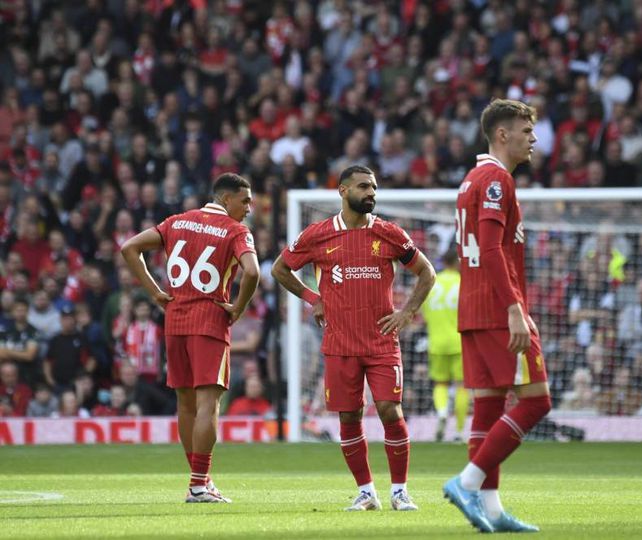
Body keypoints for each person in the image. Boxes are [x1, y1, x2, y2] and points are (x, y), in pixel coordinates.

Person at [272, 165, 436, 512]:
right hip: (340, 344)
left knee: (390, 410)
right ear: (343, 191)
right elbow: (280, 269)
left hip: (381, 342)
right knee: (349, 417)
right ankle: (366, 492)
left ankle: (400, 491)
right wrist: (314, 298)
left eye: (374, 187)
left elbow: (427, 272)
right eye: (364, 187)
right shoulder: (318, 235)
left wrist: (407, 312)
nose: (371, 193)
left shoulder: (390, 233)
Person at [443, 99, 550, 533]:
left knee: (487, 409)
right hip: (495, 308)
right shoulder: (495, 180)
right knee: (536, 400)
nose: (534, 139)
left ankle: (490, 511)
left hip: (473, 308)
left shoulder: (471, 179)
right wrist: (514, 310)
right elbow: (489, 249)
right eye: (526, 131)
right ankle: (467, 482)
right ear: (502, 134)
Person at [121, 173, 260, 504]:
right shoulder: (235, 230)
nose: (250, 209)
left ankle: (200, 481)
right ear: (226, 199)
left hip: (175, 320)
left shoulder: (177, 221)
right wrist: (238, 308)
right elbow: (253, 272)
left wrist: (155, 292)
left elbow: (129, 248)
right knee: (208, 404)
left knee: (185, 403)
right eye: (246, 201)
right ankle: (199, 484)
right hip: (210, 321)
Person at [422, 248, 468, 442]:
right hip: (460, 341)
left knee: (440, 384)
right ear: (457, 263)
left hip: (436, 342)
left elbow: (423, 314)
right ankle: (458, 432)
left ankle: (441, 412)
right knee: (462, 386)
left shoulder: (432, 283)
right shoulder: (463, 283)